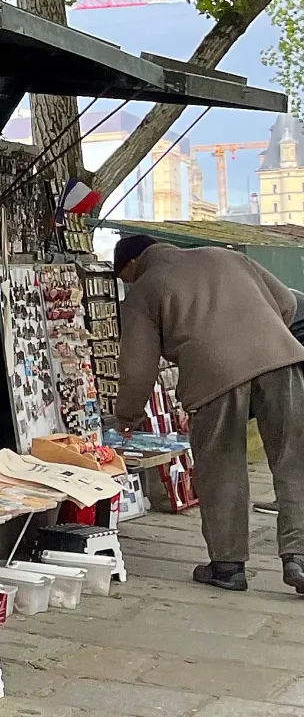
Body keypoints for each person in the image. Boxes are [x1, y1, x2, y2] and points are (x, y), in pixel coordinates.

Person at [114, 233, 304, 591]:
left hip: (213, 376)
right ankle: (300, 557)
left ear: (133, 264)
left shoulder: (145, 287)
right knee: (295, 460)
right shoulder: (226, 255)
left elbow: (137, 366)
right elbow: (285, 302)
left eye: (126, 278)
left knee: (221, 466)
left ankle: (228, 567)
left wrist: (127, 416)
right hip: (282, 360)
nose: (128, 284)